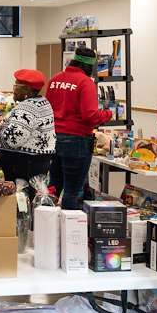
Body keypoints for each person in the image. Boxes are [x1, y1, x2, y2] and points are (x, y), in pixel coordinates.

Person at [46, 47, 112, 210]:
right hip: (76, 140)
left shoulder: (55, 79)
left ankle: (45, 223)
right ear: (89, 66)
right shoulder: (85, 82)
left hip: (53, 138)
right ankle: (68, 232)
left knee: (54, 186)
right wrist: (108, 114)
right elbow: (90, 115)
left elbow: (47, 108)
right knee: (71, 190)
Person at [0, 69, 56, 191]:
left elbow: (13, 139)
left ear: (26, 89)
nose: (14, 89)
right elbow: (26, 129)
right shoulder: (42, 102)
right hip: (36, 162)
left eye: (16, 85)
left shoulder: (26, 108)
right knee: (31, 199)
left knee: (21, 201)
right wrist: (3, 125)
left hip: (24, 165)